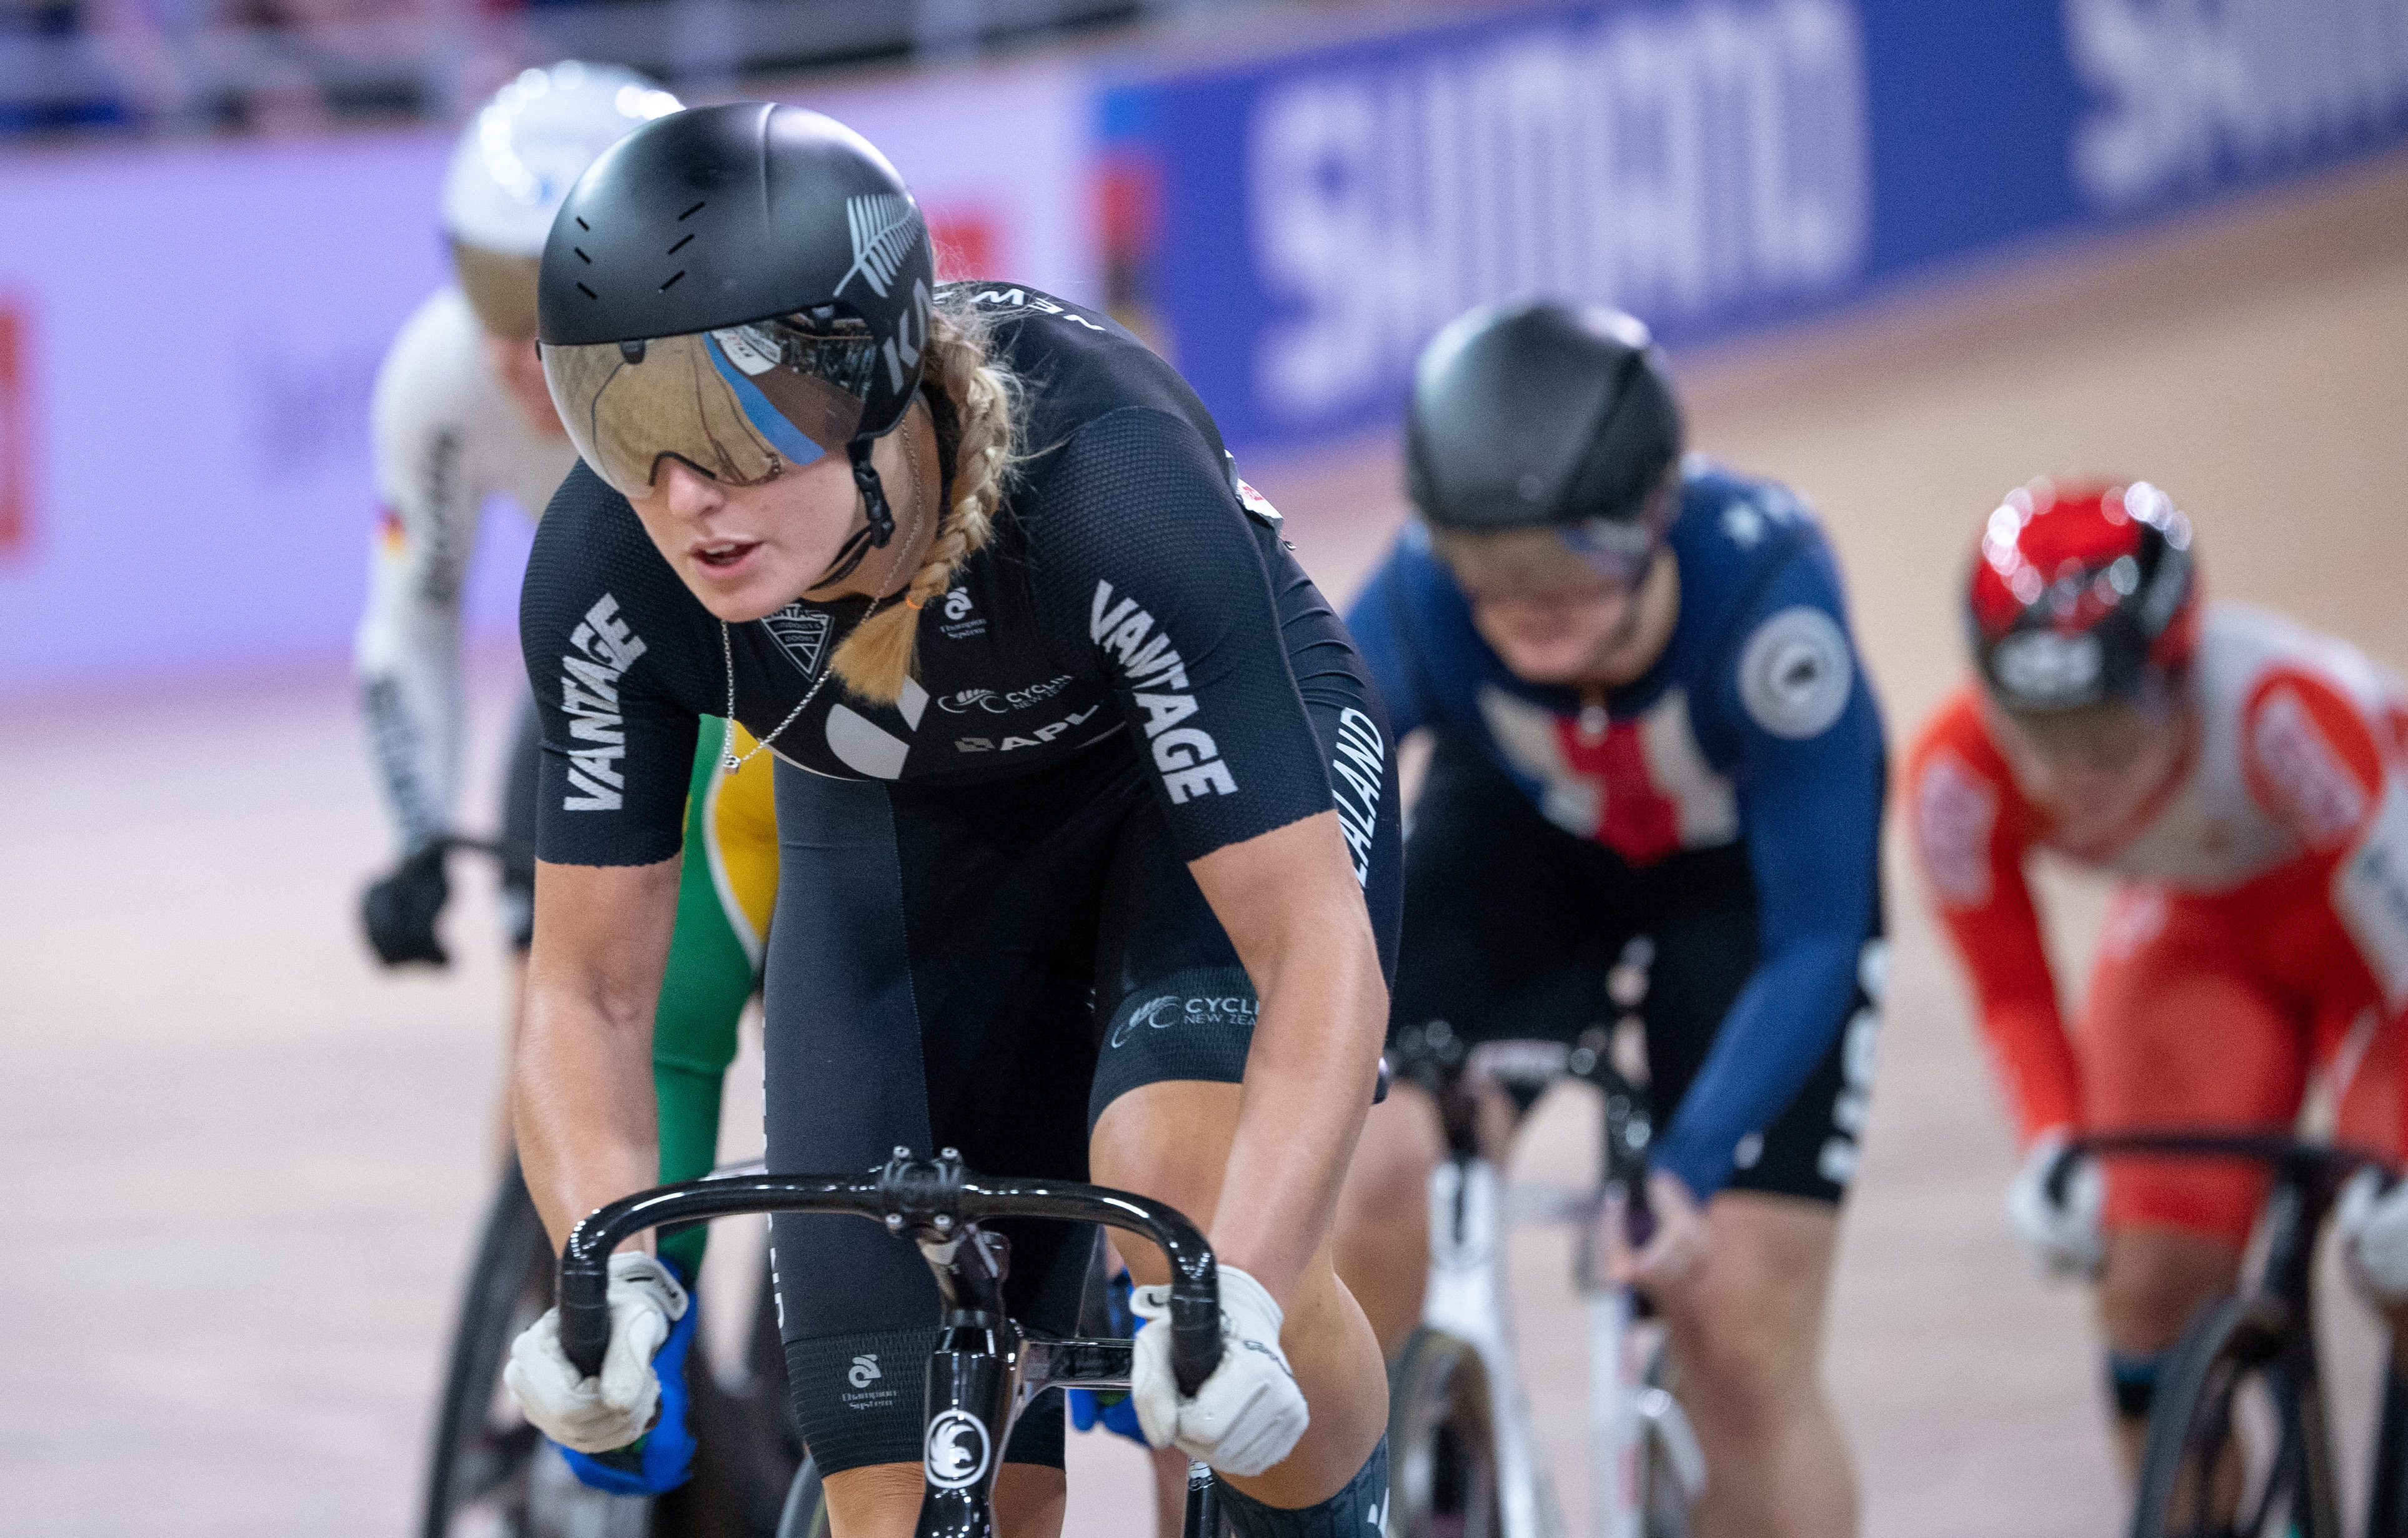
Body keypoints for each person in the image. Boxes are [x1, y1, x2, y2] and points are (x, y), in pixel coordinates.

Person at [497, 102, 1405, 1538]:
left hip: (1184, 808)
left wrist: (1245, 1285)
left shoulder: (1108, 489)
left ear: (864, 378)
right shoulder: (608, 570)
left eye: (727, 428)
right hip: (901, 846)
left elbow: (1314, 950)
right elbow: (589, 988)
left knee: (1183, 1202)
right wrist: (600, 1269)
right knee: (896, 1493)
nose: (683, 499)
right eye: (622, 427)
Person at [1333, 300, 1884, 1538]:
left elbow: (1815, 939)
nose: (1525, 603)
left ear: (1653, 512)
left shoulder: (1770, 608)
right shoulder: (1419, 593)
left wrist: (1693, 1163)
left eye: (1564, 559)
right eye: (1488, 565)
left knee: (1737, 1331)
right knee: (1373, 1172)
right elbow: (1300, 814)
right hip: (1520, 847)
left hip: (1741, 892)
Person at [352, 61, 779, 1496]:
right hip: (594, 692)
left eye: (542, 301)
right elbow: (407, 621)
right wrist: (417, 833)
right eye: (484, 295)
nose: (507, 353)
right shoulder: (436, 377)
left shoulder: (738, 348)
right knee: (558, 1017)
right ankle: (555, 1319)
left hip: (766, 705)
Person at [1905, 476, 2408, 1476]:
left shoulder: (2283, 712)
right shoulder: (1953, 779)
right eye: (2037, 732)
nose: (2070, 772)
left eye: (2103, 732)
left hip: (2376, 939)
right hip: (2200, 928)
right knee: (2144, 1292)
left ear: (2179, 676)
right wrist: (2051, 1141)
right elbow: (2010, 993)